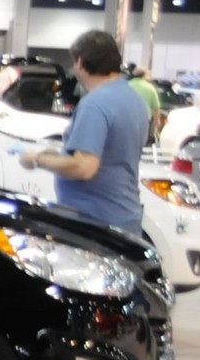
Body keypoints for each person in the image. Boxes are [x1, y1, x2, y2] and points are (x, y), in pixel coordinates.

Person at [20, 29, 146, 233]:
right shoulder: (134, 100)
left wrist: (36, 159)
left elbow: (85, 167)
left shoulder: (95, 105)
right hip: (124, 216)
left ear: (80, 63)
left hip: (94, 222)